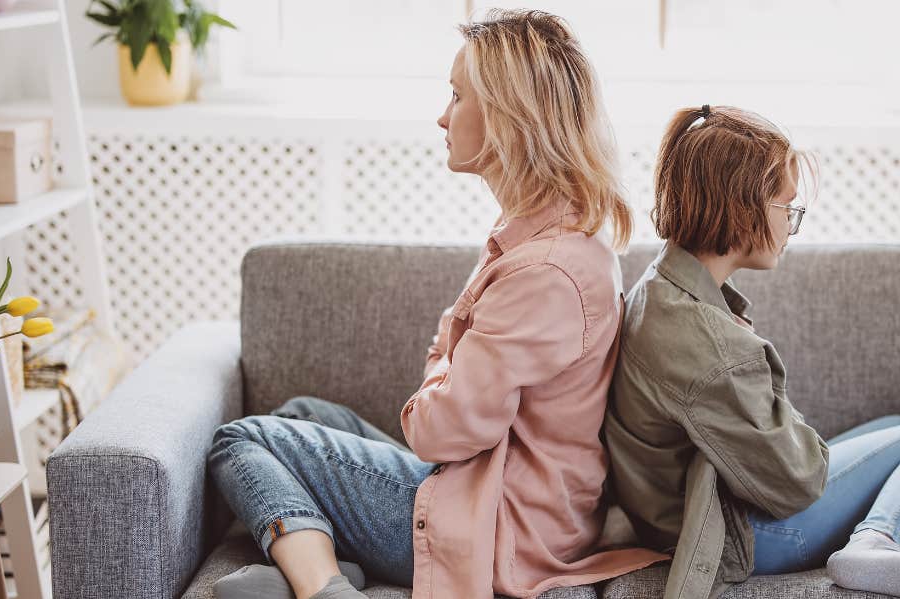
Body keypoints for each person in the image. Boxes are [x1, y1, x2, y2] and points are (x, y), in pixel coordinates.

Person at [206, 9, 670, 599]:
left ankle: (322, 584)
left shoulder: (547, 271)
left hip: (494, 526)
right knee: (299, 413)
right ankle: (326, 552)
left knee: (239, 440)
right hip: (484, 486)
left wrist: (442, 360)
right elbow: (456, 377)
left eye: (457, 96)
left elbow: (437, 431)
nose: (442, 116)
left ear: (509, 118)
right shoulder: (540, 234)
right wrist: (449, 356)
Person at [604, 104, 900, 599]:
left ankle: (895, 542)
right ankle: (875, 544)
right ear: (740, 208)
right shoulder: (709, 346)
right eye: (786, 207)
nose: (793, 224)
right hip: (745, 537)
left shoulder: (661, 289)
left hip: (689, 516)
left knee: (895, 425)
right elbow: (798, 483)